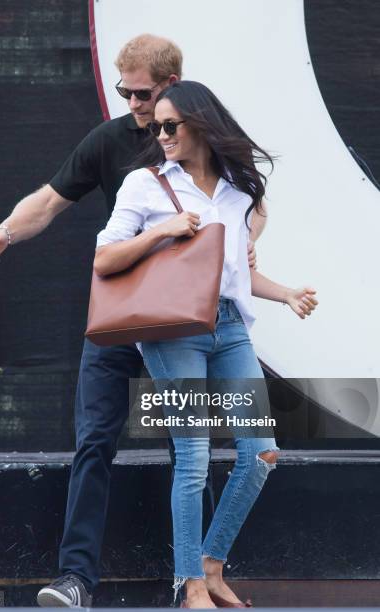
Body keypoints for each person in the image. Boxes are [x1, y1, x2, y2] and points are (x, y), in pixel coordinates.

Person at [0, 36, 262, 608]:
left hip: (186, 323)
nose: (133, 103)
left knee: (193, 448)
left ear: (173, 87)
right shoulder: (112, 141)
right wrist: (5, 230)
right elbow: (50, 203)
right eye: (125, 91)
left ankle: (191, 581)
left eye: (143, 93)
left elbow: (250, 201)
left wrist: (246, 248)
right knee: (95, 439)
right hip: (126, 315)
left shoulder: (202, 142)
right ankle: (77, 579)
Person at [94, 80, 318, 608]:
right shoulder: (145, 185)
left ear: (200, 125)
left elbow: (232, 274)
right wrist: (162, 231)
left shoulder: (237, 191)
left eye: (172, 125)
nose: (162, 134)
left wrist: (284, 293)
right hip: (174, 334)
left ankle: (212, 565)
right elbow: (104, 260)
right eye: (157, 127)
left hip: (230, 327)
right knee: (193, 458)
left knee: (260, 452)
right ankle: (188, 582)